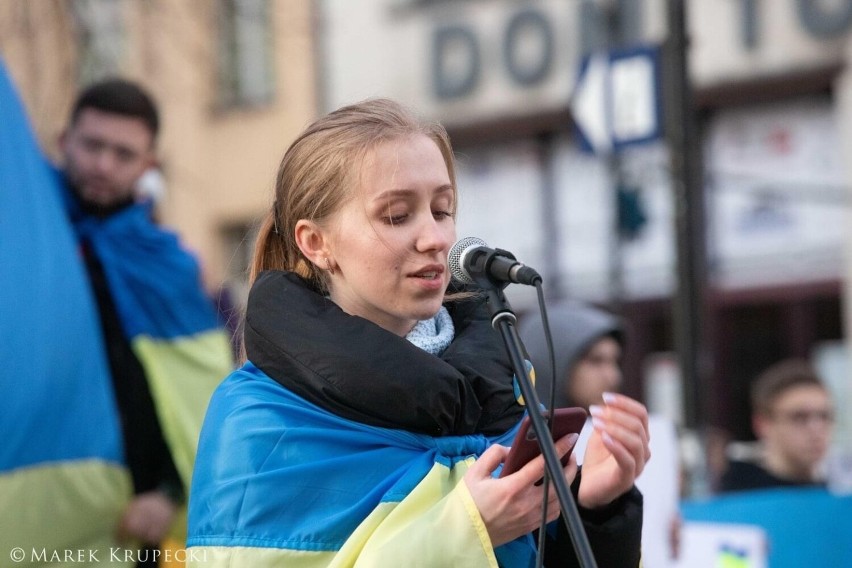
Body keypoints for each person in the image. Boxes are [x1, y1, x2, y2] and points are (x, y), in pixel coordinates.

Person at [186, 98, 650, 567]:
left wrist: (591, 508)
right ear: (316, 243)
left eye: (442, 209)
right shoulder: (258, 420)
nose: (434, 239)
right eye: (396, 215)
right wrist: (465, 534)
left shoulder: (503, 388)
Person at [1, 74, 233, 567]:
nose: (103, 164)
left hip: (133, 528)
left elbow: (200, 401)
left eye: (123, 154)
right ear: (65, 142)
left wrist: (169, 493)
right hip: (31, 514)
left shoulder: (169, 269)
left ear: (148, 165)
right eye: (92, 145)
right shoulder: (21, 238)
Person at [518, 301, 682, 567]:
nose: (612, 376)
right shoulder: (512, 441)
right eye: (595, 361)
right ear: (552, 361)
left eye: (615, 361)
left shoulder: (620, 431)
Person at [719, 359, 834, 493]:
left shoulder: (834, 495)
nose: (816, 429)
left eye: (824, 416)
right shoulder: (734, 495)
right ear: (762, 425)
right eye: (799, 417)